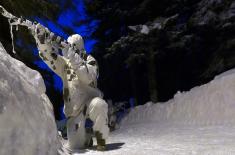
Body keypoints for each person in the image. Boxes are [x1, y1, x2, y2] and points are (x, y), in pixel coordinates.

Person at [5, 13, 109, 150]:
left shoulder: (90, 61)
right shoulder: (65, 64)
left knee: (100, 105)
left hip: (90, 103)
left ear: (80, 48)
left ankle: (101, 139)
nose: (70, 50)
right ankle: (86, 137)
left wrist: (73, 57)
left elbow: (88, 78)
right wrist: (41, 39)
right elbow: (49, 58)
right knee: (76, 145)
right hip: (74, 111)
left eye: (73, 47)